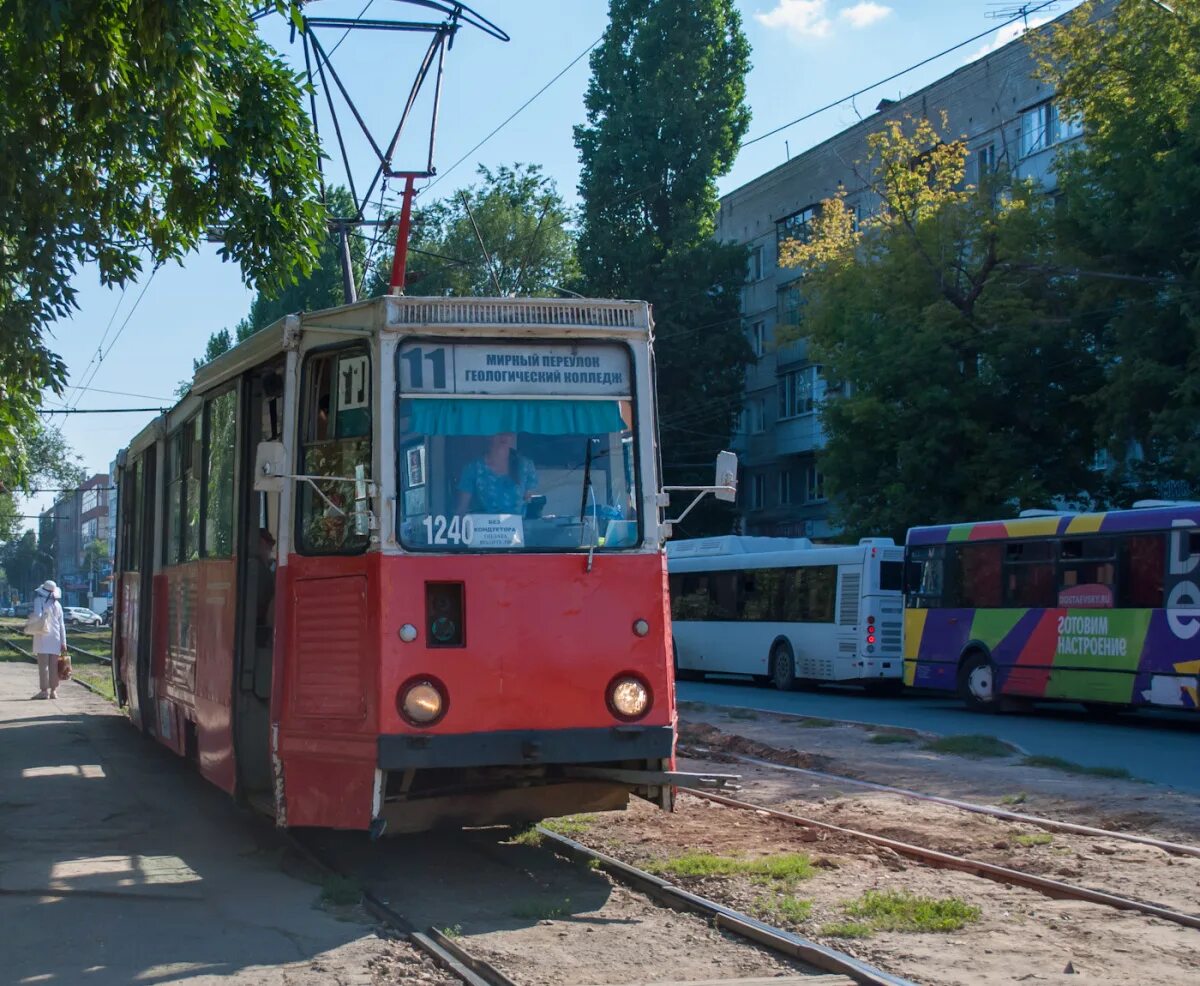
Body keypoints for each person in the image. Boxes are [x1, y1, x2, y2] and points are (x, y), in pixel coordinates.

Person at [455, 432, 538, 514]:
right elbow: (462, 509)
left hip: (518, 526)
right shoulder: (473, 468)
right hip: (484, 526)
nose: (503, 435)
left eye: (507, 431)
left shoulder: (525, 466)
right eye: (498, 431)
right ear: (488, 435)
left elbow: (529, 505)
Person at [30, 580, 67, 700]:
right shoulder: (58, 605)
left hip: (42, 637)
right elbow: (62, 625)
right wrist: (63, 642)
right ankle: (54, 691)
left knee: (43, 666)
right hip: (56, 638)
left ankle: (44, 691)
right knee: (54, 666)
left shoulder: (38, 601)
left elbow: (38, 616)